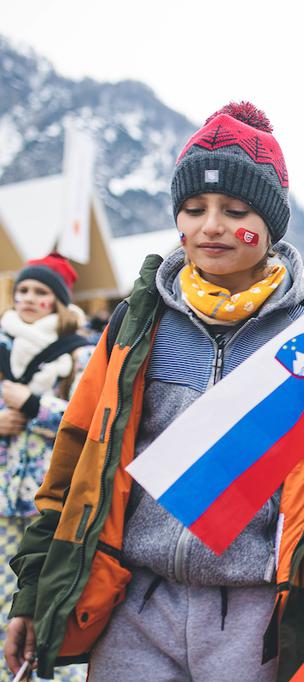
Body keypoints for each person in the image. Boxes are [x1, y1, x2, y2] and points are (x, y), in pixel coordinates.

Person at [4, 102, 304, 681]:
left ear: (269, 223)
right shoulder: (135, 327)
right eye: (193, 209)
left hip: (254, 613)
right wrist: (33, 587)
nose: (210, 225)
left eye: (234, 209)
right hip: (132, 605)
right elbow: (75, 463)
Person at [1, 253, 92, 682]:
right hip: (2, 493)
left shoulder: (78, 355)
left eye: (40, 292)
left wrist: (35, 406)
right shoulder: (2, 346)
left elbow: (89, 418)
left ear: (57, 301)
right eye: (22, 291)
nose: (29, 299)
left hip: (52, 496)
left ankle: (51, 673)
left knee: (45, 594)